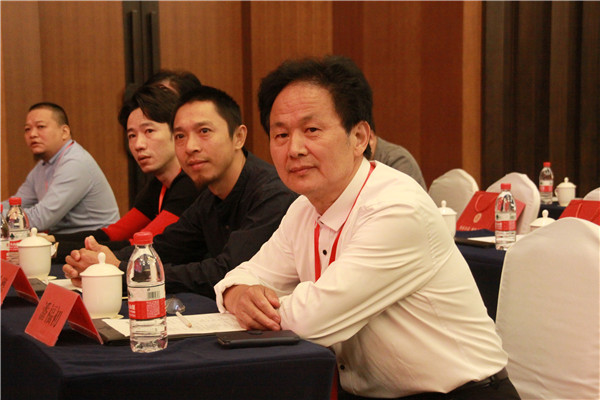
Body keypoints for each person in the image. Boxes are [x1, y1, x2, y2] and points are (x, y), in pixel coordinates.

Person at [214, 55, 520, 399]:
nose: (294, 149)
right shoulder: (303, 208)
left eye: (311, 130)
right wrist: (237, 293)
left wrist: (255, 305)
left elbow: (312, 320)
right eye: (280, 134)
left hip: (464, 393)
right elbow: (246, 274)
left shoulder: (397, 208)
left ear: (359, 136)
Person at [63, 85, 297, 298]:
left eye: (204, 131)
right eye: (180, 136)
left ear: (238, 137)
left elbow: (226, 271)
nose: (190, 147)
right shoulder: (209, 196)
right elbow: (167, 247)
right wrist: (101, 261)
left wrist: (121, 270)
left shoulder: (273, 194)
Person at [50, 85, 201, 260]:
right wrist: (51, 241)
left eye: (149, 131)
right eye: (132, 136)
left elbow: (141, 246)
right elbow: (114, 233)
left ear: (176, 132)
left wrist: (53, 250)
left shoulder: (188, 185)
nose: (138, 145)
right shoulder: (158, 184)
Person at [1, 102, 119, 234]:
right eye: (27, 129)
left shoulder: (75, 163)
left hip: (94, 240)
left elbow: (41, 218)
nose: (32, 134)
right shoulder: (43, 165)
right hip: (66, 239)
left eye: (41, 127)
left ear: (64, 132)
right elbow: (16, 204)